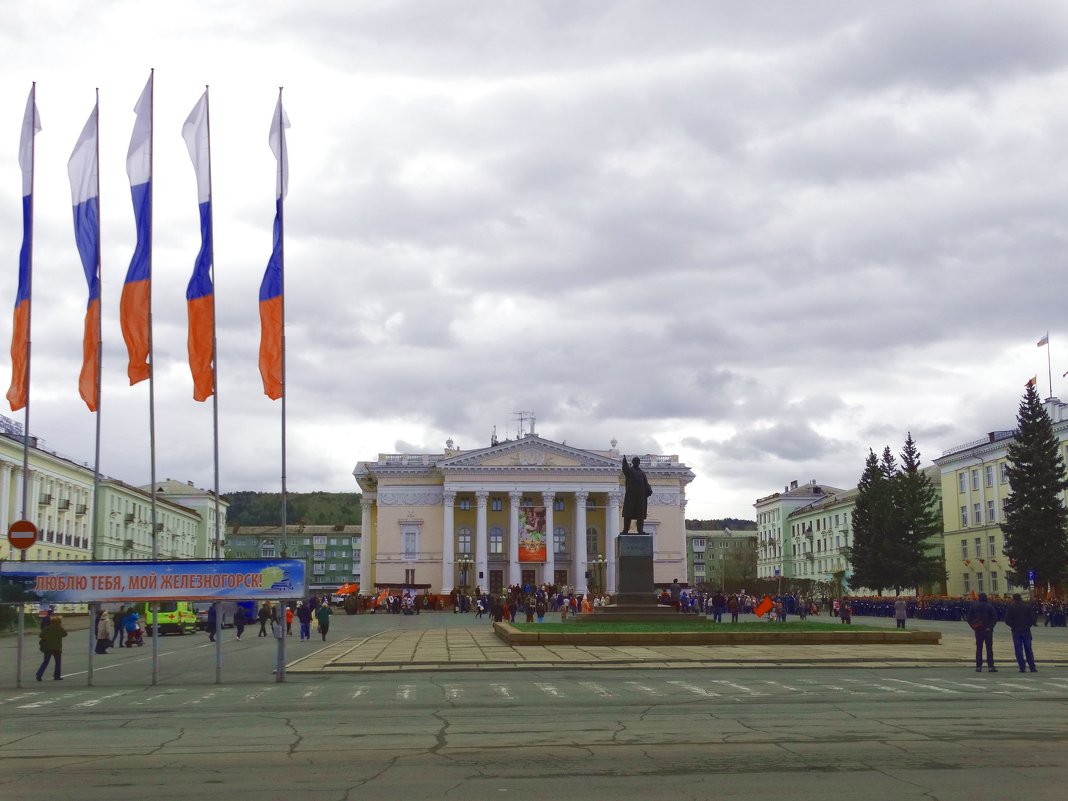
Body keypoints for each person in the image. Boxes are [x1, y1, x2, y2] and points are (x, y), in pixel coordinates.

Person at [1003, 593, 1038, 673]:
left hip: (1016, 631)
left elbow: (1007, 620)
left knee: (1018, 649)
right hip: (1026, 630)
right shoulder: (1027, 606)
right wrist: (1028, 625)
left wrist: (1013, 625)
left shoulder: (1011, 607)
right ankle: (1032, 667)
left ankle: (1022, 667)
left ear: (1014, 599)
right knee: (1028, 648)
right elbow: (1033, 618)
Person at [621, 455, 652, 534]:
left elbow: (646, 483)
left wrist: (649, 489)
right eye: (635, 461)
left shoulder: (642, 473)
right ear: (633, 462)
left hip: (641, 497)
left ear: (639, 463)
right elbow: (625, 469)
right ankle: (625, 529)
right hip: (631, 496)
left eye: (638, 462)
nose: (637, 463)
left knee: (640, 514)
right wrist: (624, 462)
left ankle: (640, 530)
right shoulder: (630, 471)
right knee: (628, 514)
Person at [967, 592, 998, 672]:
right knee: (989, 648)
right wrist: (990, 627)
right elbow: (995, 617)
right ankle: (990, 666)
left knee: (979, 648)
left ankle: (978, 666)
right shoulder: (989, 606)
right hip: (987, 629)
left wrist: (973, 626)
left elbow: (969, 617)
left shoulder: (974, 606)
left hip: (978, 629)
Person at [36, 614, 67, 681]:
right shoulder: (60, 629)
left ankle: (39, 674)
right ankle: (57, 676)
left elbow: (41, 635)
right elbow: (65, 634)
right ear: (59, 622)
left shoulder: (47, 628)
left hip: (47, 647)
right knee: (58, 662)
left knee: (45, 662)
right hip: (57, 648)